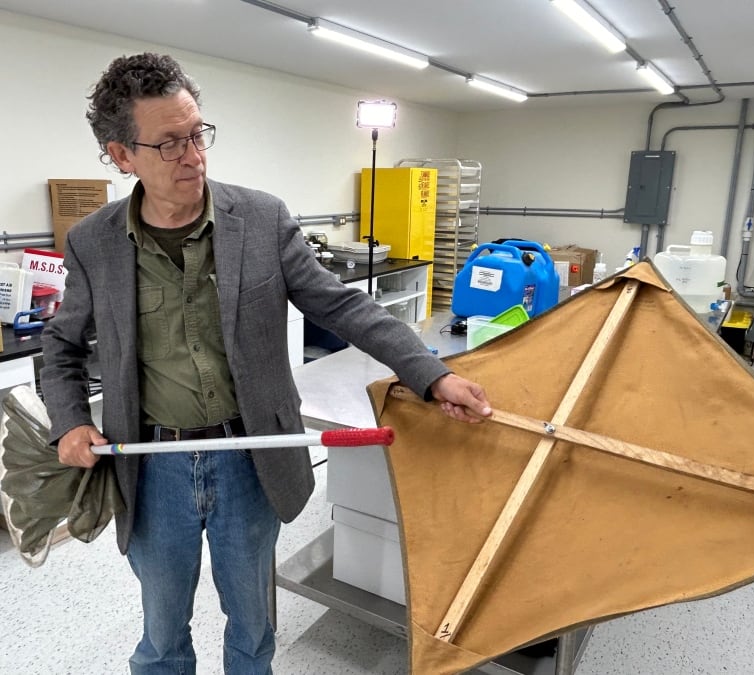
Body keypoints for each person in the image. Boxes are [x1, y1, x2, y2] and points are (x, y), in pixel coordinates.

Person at [40, 52, 492, 675]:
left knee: (252, 628)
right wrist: (68, 422)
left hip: (251, 458)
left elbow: (342, 306)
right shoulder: (92, 242)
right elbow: (61, 347)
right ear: (122, 156)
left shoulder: (260, 217)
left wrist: (432, 373)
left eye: (197, 134)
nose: (193, 156)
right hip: (152, 467)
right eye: (169, 144)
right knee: (161, 633)